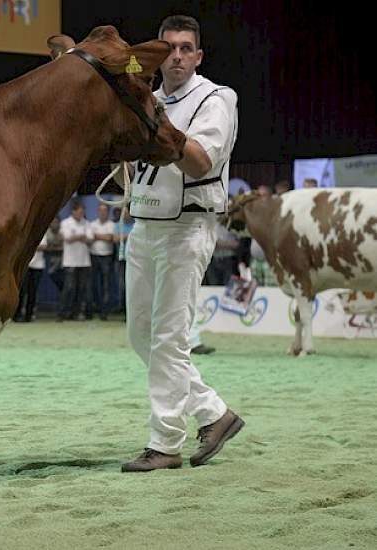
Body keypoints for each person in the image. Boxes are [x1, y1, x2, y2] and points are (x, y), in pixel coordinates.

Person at [123, 15, 244, 472]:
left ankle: (165, 443)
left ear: (197, 56)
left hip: (188, 227)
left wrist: (152, 123)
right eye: (168, 47)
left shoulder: (216, 99)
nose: (175, 55)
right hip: (145, 225)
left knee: (170, 340)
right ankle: (215, 412)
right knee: (140, 336)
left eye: (184, 48)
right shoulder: (149, 99)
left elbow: (198, 162)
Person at [57, 201, 91, 321]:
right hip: (70, 261)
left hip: (84, 261)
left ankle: (76, 313)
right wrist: (80, 237)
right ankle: (62, 313)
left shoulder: (86, 223)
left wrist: (76, 237)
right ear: (73, 211)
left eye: (83, 212)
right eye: (80, 211)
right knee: (68, 288)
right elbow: (67, 238)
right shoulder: (66, 223)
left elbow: (90, 239)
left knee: (81, 289)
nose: (81, 214)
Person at [14, 225, 50, 322]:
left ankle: (28, 316)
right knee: (21, 291)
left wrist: (29, 245)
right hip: (25, 265)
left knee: (32, 292)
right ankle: (17, 315)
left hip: (38, 266)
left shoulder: (42, 230)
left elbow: (44, 246)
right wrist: (34, 246)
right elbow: (19, 245)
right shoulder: (24, 230)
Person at [89, 203, 115, 320]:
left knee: (106, 286)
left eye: (104, 211)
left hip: (107, 257)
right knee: (93, 285)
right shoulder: (92, 224)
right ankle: (97, 308)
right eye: (100, 210)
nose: (102, 213)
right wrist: (104, 237)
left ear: (107, 212)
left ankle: (104, 312)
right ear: (97, 212)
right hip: (93, 256)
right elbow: (90, 237)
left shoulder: (112, 225)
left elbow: (111, 238)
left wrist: (97, 236)